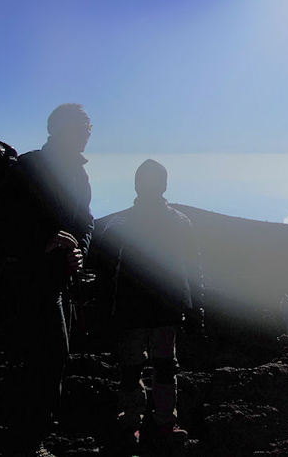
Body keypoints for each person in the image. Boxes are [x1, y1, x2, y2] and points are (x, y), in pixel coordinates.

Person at [96, 158, 202, 449]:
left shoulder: (120, 225)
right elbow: (193, 270)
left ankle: (135, 421)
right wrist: (195, 306)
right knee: (162, 366)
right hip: (162, 308)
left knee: (138, 367)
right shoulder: (179, 223)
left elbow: (106, 274)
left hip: (138, 310)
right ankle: (162, 421)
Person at [7, 103, 94, 457]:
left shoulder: (79, 173)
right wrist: (42, 241)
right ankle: (29, 441)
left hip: (58, 279)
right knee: (45, 354)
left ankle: (31, 435)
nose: (89, 133)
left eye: (89, 127)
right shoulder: (28, 167)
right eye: (83, 126)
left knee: (52, 355)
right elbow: (4, 221)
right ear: (59, 128)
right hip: (27, 277)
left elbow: (85, 222)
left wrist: (79, 252)